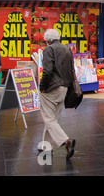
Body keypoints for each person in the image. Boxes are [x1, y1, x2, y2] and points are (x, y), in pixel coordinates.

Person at [39, 29, 76, 159]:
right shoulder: (67, 49)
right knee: (52, 119)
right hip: (64, 87)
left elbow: (47, 71)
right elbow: (72, 69)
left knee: (49, 118)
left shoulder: (49, 49)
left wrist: (42, 86)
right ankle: (46, 147)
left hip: (52, 88)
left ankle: (66, 141)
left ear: (47, 40)